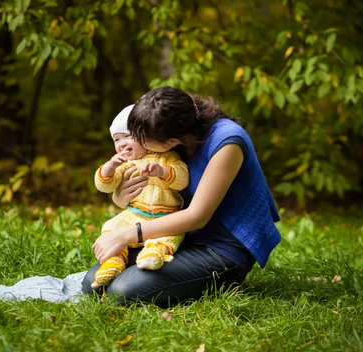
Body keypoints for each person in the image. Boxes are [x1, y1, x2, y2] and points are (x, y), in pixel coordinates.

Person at [82, 86, 282, 307]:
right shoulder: (164, 125)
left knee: (122, 292)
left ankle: (220, 280)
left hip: (220, 248)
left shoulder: (227, 142)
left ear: (171, 142)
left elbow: (198, 216)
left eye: (142, 139)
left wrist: (127, 235)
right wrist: (119, 196)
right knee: (92, 283)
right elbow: (146, 191)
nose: (136, 143)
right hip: (177, 236)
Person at [91, 105, 189, 289]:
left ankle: (154, 252)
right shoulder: (126, 164)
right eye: (116, 139)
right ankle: (115, 260)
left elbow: (182, 179)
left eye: (128, 136)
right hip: (134, 214)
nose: (121, 143)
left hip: (165, 217)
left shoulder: (167, 157)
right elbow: (104, 185)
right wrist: (110, 167)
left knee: (172, 235)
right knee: (111, 226)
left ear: (145, 137)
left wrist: (162, 171)